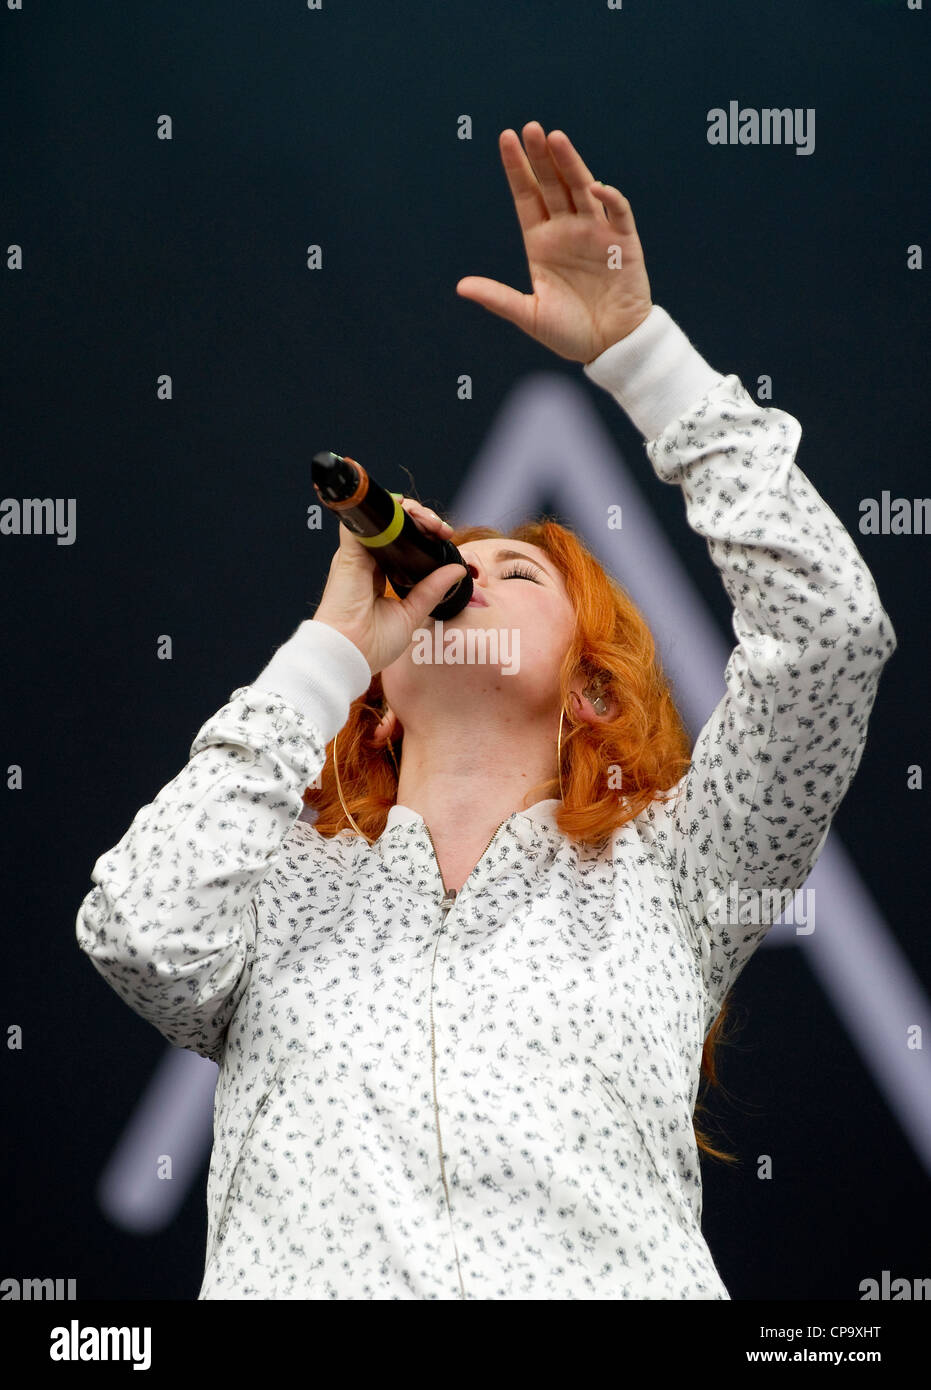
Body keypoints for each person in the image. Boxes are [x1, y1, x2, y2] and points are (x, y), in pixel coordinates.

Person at [75, 122, 897, 1300]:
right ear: (378, 704)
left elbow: (828, 635)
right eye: (448, 569)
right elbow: (135, 934)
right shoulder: (280, 889)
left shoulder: (672, 873)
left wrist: (641, 356)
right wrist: (325, 655)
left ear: (593, 684)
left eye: (518, 572)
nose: (464, 575)